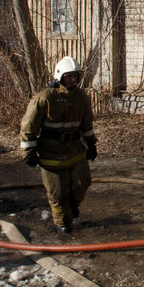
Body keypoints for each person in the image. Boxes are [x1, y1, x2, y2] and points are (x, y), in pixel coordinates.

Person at [20, 56, 98, 234]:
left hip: (75, 150)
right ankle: (63, 222)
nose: (72, 80)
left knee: (83, 182)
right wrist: (28, 152)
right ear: (59, 76)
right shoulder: (44, 99)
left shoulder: (81, 98)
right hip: (51, 152)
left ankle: (71, 208)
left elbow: (87, 124)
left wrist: (91, 145)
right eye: (68, 76)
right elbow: (28, 127)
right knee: (57, 192)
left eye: (75, 76)